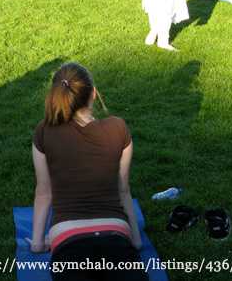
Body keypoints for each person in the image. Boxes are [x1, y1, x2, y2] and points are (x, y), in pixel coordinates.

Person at [29, 63, 145, 281]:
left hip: (67, 239)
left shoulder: (44, 131)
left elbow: (44, 193)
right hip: (116, 234)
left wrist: (37, 244)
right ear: (93, 93)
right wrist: (136, 240)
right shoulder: (118, 127)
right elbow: (123, 190)